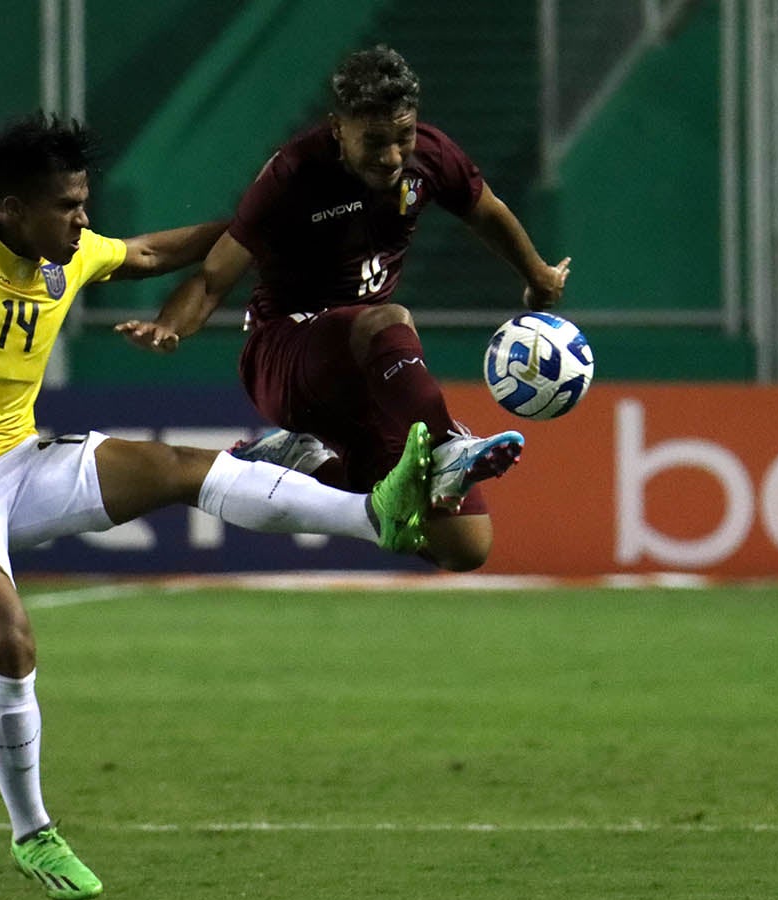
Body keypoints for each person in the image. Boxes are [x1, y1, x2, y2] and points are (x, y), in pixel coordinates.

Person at [0, 40, 434, 900]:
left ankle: (380, 516)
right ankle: (33, 833)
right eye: (65, 208)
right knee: (10, 642)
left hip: (22, 464)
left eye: (84, 205)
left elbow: (142, 254)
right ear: (12, 207)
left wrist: (265, 223)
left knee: (180, 467)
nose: (79, 222)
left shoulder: (70, 252)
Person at [116, 45, 572, 573]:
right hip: (283, 354)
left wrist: (538, 277)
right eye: (375, 142)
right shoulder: (292, 175)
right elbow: (215, 277)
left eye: (403, 137)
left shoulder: (432, 154)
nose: (394, 156)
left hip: (367, 373)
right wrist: (171, 327)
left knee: (465, 545)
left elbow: (487, 211)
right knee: (387, 318)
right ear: (338, 128)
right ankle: (448, 446)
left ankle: (304, 467)